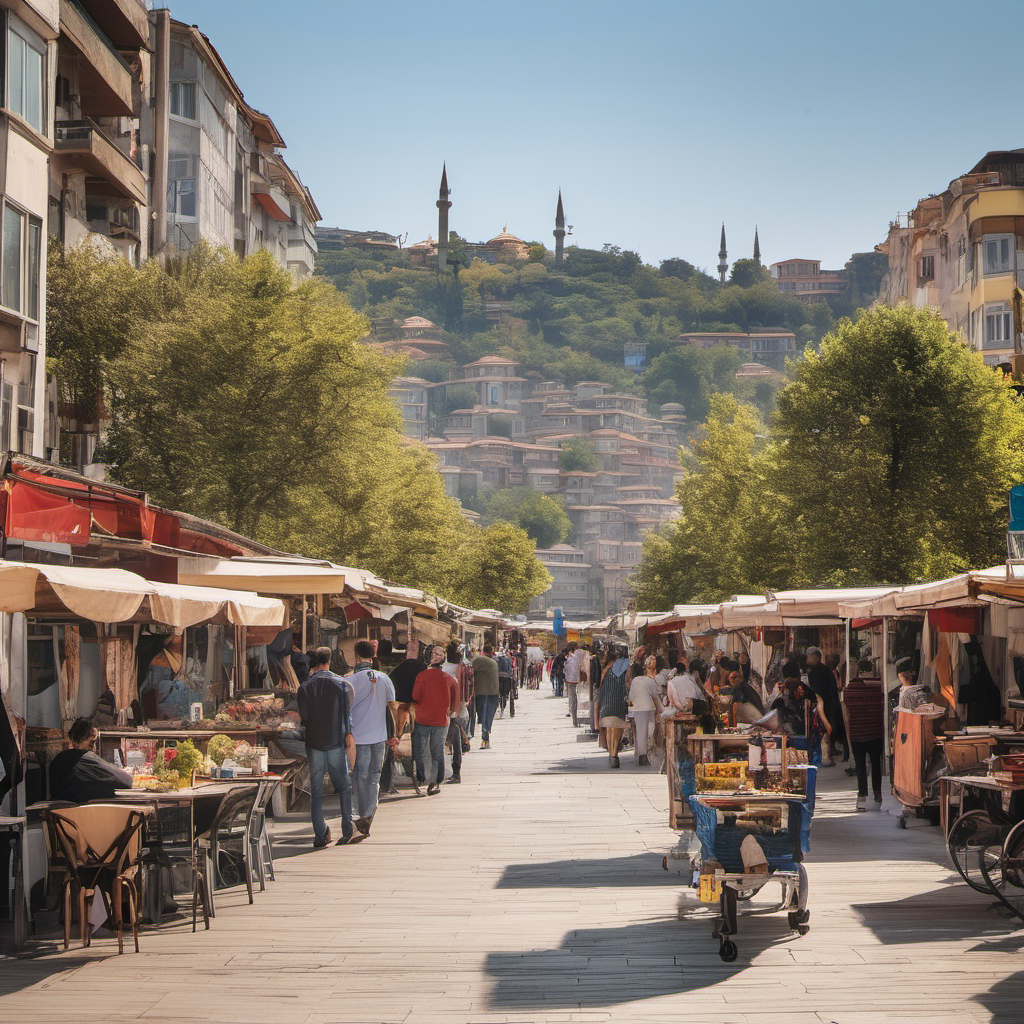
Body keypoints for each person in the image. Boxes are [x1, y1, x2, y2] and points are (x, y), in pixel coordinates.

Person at [297, 647, 355, 848]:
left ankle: (320, 834)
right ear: (329, 661)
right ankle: (347, 829)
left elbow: (304, 716)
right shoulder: (344, 685)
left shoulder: (304, 687)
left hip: (314, 742)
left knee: (316, 789)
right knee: (344, 787)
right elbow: (348, 712)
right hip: (336, 741)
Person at [347, 640, 396, 838]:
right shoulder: (384, 678)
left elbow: (346, 709)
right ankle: (368, 815)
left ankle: (357, 814)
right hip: (380, 736)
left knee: (360, 776)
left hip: (359, 736)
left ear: (356, 655)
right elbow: (392, 705)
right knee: (374, 777)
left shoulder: (351, 680)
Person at [412, 644, 460, 794]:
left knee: (420, 750)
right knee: (437, 751)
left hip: (422, 719)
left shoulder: (421, 676)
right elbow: (456, 703)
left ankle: (422, 779)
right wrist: (449, 711)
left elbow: (415, 697)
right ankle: (434, 782)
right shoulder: (450, 679)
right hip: (441, 721)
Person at [49, 718, 133, 804]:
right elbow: (127, 780)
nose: (94, 747)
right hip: (79, 811)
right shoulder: (86, 758)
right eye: (92, 742)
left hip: (59, 810)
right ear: (84, 740)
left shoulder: (59, 757)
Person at [844, 659, 884, 811]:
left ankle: (862, 796)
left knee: (860, 766)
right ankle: (878, 793)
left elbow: (847, 710)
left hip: (857, 733)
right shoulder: (878, 686)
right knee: (876, 765)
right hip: (875, 732)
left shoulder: (849, 688)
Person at [805, 647, 840, 766]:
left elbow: (820, 690)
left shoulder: (817, 671)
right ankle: (827, 755)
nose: (807, 659)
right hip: (827, 704)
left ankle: (825, 756)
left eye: (809, 657)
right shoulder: (824, 670)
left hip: (822, 705)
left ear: (815, 657)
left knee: (824, 729)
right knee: (826, 729)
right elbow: (833, 687)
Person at [598, 646, 631, 767]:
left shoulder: (605, 671)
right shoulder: (625, 666)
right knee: (617, 729)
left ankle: (611, 755)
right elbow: (627, 683)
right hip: (618, 702)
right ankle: (614, 754)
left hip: (606, 703)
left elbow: (600, 689)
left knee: (609, 729)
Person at [389, 640, 426, 750]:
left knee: (415, 727)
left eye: (413, 650)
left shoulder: (421, 666)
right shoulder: (403, 666)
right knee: (398, 724)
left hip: (416, 701)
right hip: (401, 698)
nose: (410, 652)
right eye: (409, 649)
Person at [628, 655, 663, 766]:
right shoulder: (651, 682)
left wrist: (630, 710)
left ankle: (640, 753)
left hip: (636, 709)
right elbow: (657, 700)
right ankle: (644, 754)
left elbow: (631, 697)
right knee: (649, 730)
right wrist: (663, 711)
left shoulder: (635, 681)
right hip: (647, 708)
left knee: (640, 731)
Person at [472, 644, 500, 749]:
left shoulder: (480, 660)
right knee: (487, 717)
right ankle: (485, 738)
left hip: (484, 693)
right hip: (492, 693)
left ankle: (484, 738)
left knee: (484, 716)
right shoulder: (492, 662)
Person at [563, 642, 589, 728]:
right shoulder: (575, 657)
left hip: (571, 680)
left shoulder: (573, 657)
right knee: (573, 699)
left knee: (573, 699)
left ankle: (574, 719)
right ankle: (574, 718)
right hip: (574, 680)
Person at [496, 647, 516, 719]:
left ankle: (500, 704)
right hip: (507, 678)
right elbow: (511, 670)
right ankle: (511, 712)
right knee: (509, 694)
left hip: (499, 678)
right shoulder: (509, 659)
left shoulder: (498, 659)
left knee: (499, 693)